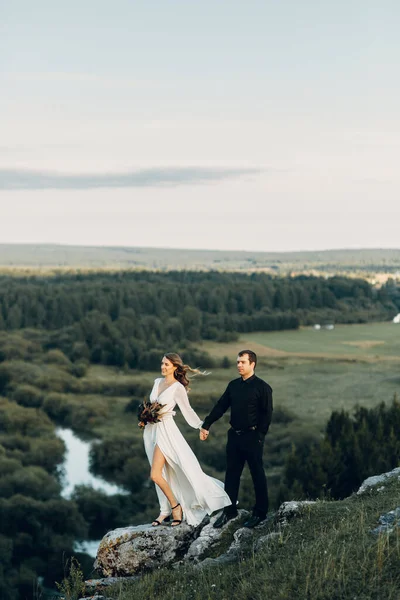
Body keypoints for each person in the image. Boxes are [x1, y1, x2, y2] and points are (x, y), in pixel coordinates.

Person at [142, 352, 231, 527]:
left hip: (166, 432)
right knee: (165, 474)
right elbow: (151, 405)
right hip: (151, 430)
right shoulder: (157, 382)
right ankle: (164, 511)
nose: (163, 367)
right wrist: (144, 417)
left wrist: (201, 425)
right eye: (162, 363)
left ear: (175, 367)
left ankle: (176, 508)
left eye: (167, 364)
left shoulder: (178, 388)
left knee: (155, 475)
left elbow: (187, 410)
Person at [200, 349, 273, 529]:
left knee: (257, 474)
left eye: (242, 362)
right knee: (232, 474)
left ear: (252, 364)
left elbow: (267, 414)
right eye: (238, 362)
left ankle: (260, 513)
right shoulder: (233, 385)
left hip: (253, 437)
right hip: (234, 436)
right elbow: (221, 406)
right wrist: (206, 424)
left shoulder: (263, 387)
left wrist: (260, 436)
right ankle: (229, 511)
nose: (239, 365)